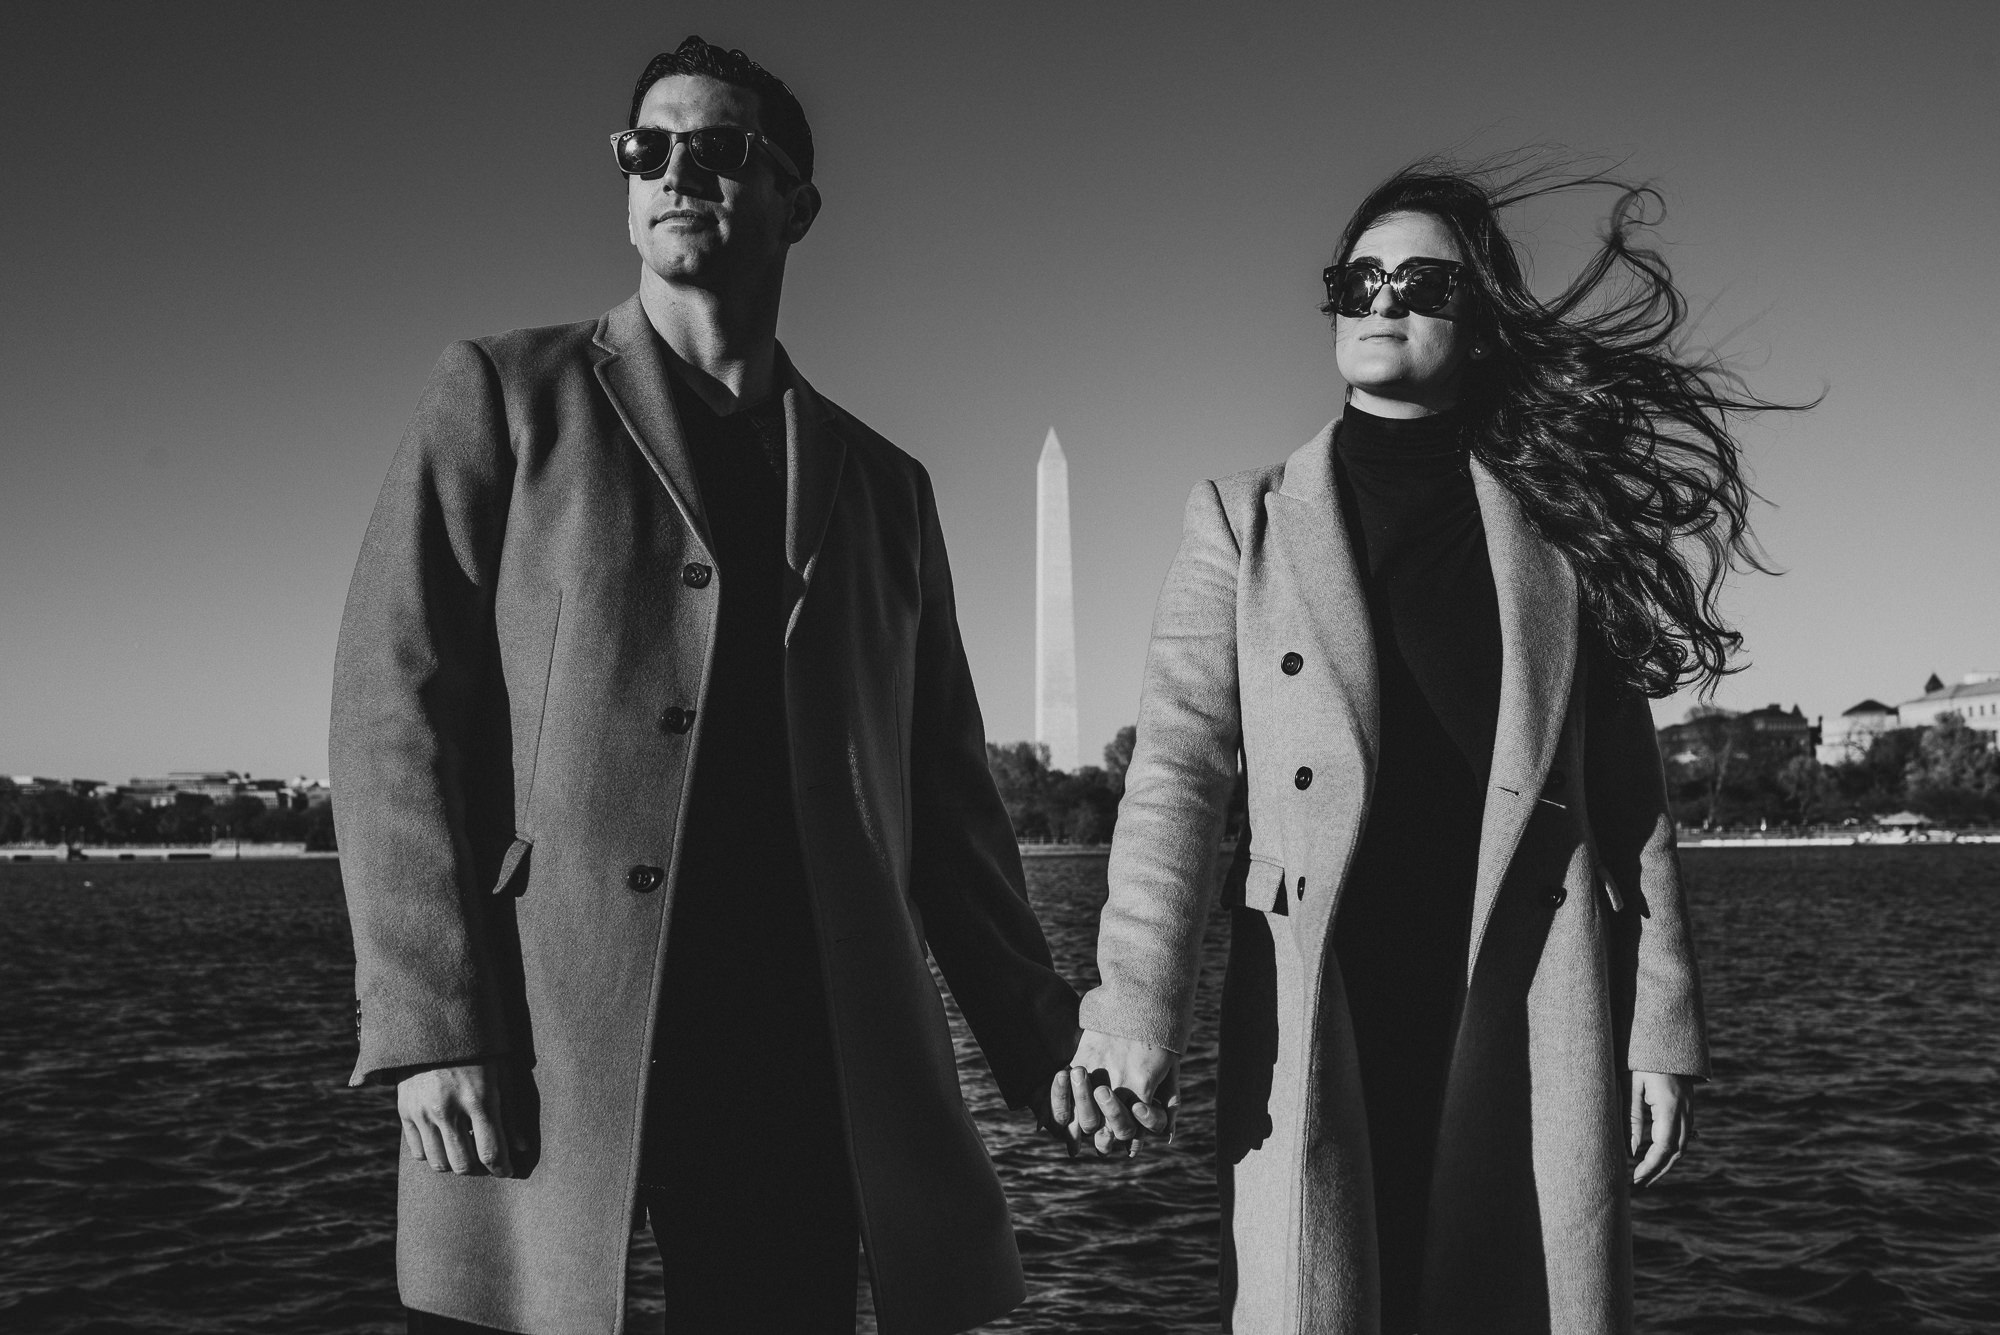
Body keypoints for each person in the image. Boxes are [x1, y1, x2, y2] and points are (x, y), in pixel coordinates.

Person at [331, 36, 1078, 1335]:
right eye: (649, 148)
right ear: (624, 181)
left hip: (800, 1040)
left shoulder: (883, 484)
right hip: (556, 1020)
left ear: (797, 201)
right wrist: (434, 1020)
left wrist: (1045, 1041)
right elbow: (396, 711)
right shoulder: (507, 397)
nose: (678, 170)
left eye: (721, 148)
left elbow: (947, 804)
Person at [1054, 161, 1797, 1333]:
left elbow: (1625, 802)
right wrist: (1132, 1012)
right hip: (1322, 989)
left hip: (1523, 989)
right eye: (1357, 279)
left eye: (1421, 281)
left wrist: (1660, 1030)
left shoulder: (1563, 525)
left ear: (1480, 318)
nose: (1382, 299)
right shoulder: (1235, 519)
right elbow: (1175, 778)